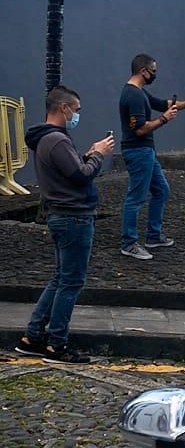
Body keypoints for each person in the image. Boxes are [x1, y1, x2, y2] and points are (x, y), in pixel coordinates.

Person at [15, 86, 114, 364]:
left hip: (61, 215)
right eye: (76, 110)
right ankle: (56, 344)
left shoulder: (46, 140)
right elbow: (81, 176)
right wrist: (98, 154)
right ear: (63, 108)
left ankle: (33, 337)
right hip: (73, 217)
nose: (77, 115)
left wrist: (87, 154)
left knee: (60, 278)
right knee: (70, 282)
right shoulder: (57, 140)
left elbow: (69, 171)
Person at [119, 53, 185, 260]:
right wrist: (164, 119)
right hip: (138, 151)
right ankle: (129, 242)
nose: (155, 75)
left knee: (161, 190)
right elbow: (140, 130)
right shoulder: (132, 95)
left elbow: (166, 104)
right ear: (143, 71)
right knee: (135, 197)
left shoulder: (140, 92)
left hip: (146, 151)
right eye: (153, 71)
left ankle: (153, 235)